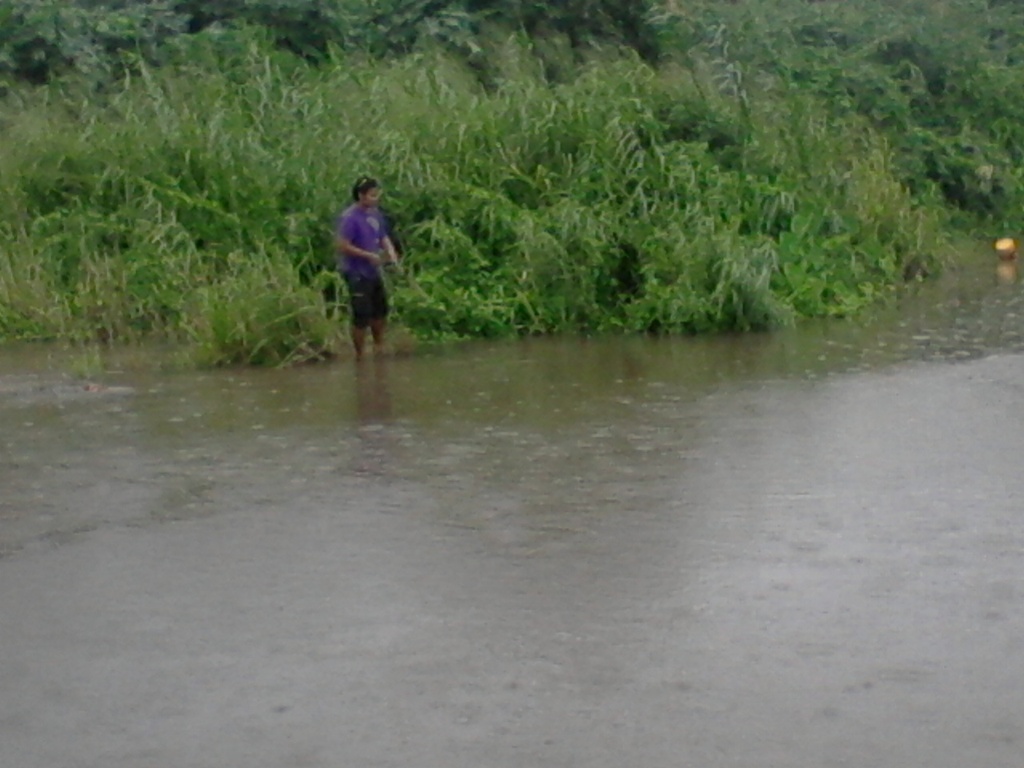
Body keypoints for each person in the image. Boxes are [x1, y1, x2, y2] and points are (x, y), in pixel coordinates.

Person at [336, 177, 399, 360]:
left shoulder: (375, 214)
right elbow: (342, 246)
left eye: (377, 194)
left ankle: (379, 347)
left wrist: (391, 252)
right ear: (361, 196)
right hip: (356, 272)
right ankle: (360, 354)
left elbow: (383, 236)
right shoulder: (349, 218)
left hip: (373, 271)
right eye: (372, 195)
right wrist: (369, 256)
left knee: (380, 310)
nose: (376, 198)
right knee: (361, 315)